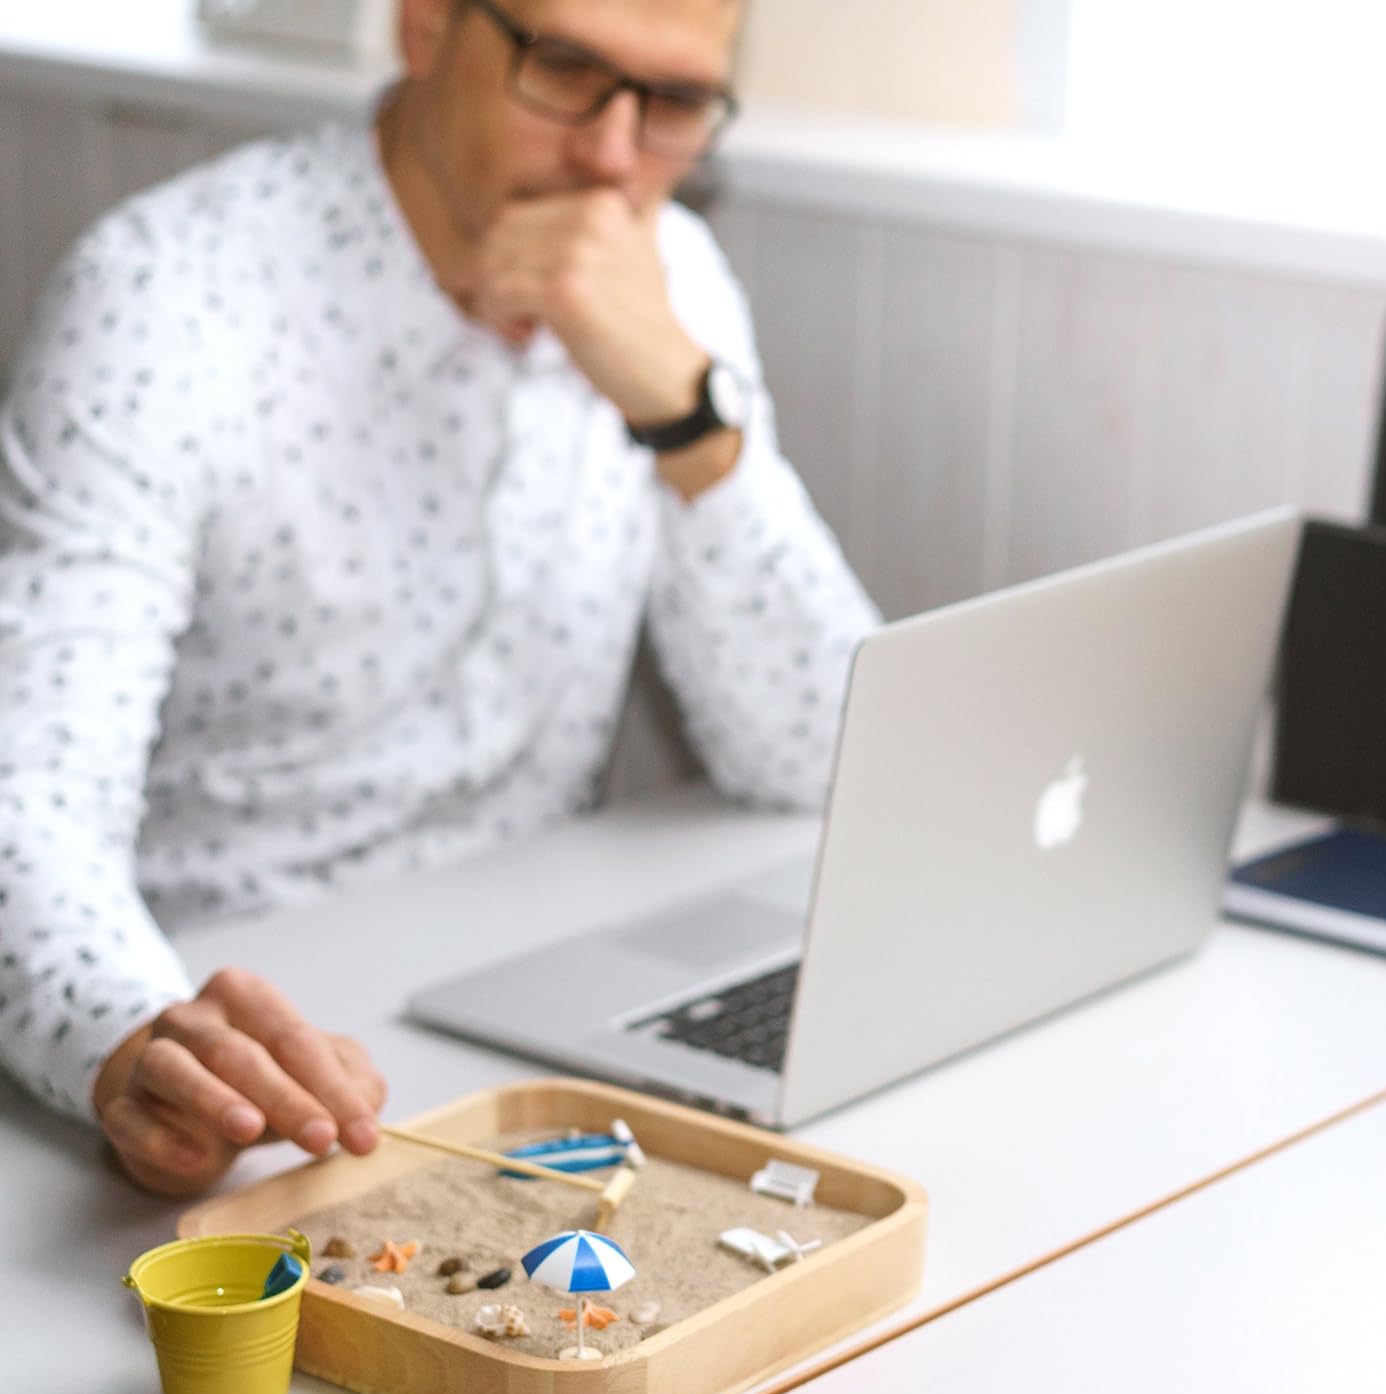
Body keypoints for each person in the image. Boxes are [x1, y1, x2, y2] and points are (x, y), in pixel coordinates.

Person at [0, 0, 878, 1195]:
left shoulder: (672, 284)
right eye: (564, 66)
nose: (614, 157)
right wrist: (132, 1035)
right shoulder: (168, 298)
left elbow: (823, 759)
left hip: (532, 1015)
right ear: (424, 28)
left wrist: (688, 419)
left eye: (672, 103)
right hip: (244, 1036)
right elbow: (27, 792)